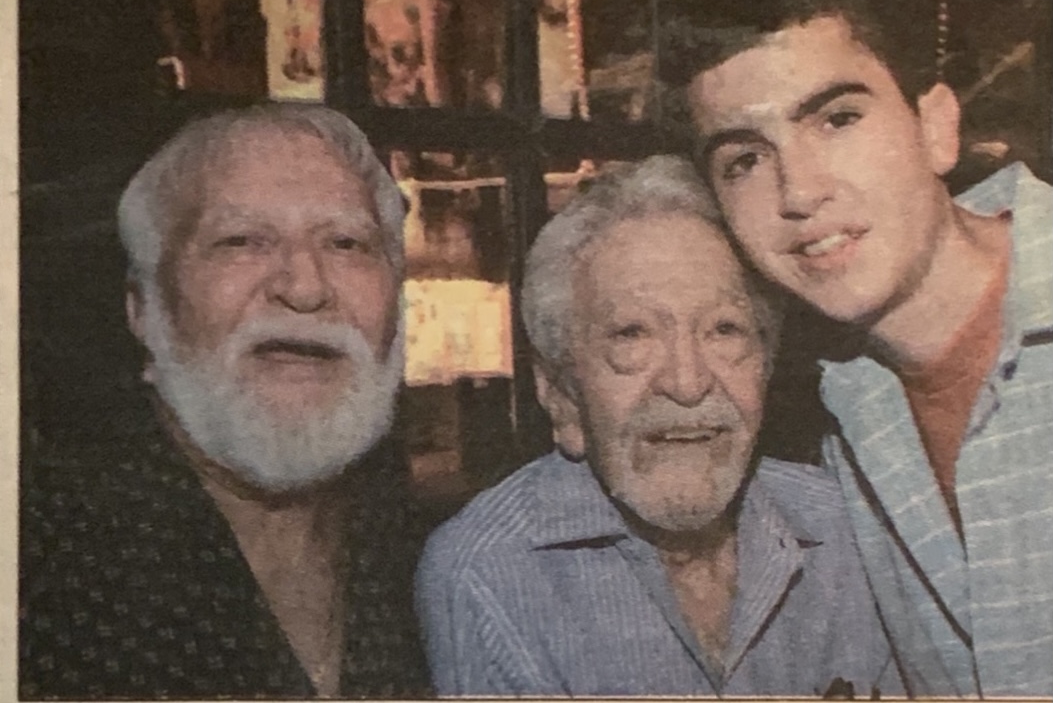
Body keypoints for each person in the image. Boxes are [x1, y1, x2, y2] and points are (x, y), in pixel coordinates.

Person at [659, 0, 1053, 696]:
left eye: (836, 119)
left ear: (935, 127)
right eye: (744, 159)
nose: (798, 191)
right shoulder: (834, 406)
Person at [415, 156, 900, 696]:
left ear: (765, 364)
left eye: (724, 330)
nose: (688, 384)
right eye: (632, 335)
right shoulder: (490, 571)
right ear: (559, 395)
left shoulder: (851, 528)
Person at [19, 104, 431, 698]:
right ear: (144, 307)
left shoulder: (441, 561)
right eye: (241, 242)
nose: (305, 288)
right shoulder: (39, 563)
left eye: (346, 243)